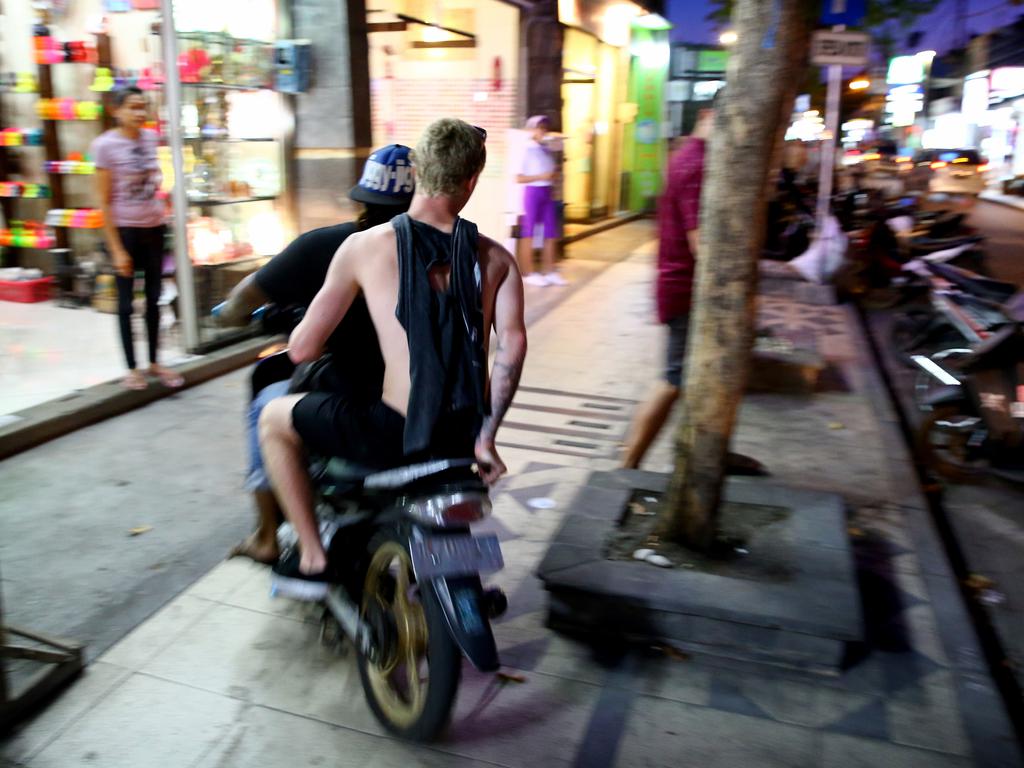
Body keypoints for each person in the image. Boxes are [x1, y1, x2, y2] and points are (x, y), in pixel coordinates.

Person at [260, 118, 527, 598]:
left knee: (273, 419)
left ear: (418, 172)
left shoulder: (363, 247)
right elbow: (511, 347)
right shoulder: (497, 259)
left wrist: (299, 327)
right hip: (461, 437)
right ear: (472, 180)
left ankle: (314, 556)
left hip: (394, 432)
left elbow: (302, 350)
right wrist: (486, 437)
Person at [215, 144, 415, 564]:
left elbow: (299, 343)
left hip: (372, 413)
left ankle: (282, 541)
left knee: (270, 410)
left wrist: (233, 315)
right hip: (446, 410)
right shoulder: (454, 248)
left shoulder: (333, 246)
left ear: (360, 199)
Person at [620, 100, 714, 469]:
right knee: (673, 380)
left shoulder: (686, 155)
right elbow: (700, 241)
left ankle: (701, 455)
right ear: (708, 116)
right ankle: (628, 465)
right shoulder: (698, 163)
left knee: (686, 380)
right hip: (685, 288)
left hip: (678, 283)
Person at [92, 86, 183, 391]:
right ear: (115, 110)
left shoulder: (148, 138)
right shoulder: (104, 146)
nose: (140, 113)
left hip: (154, 229)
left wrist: (165, 210)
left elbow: (157, 179)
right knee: (126, 304)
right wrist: (117, 249)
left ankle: (155, 362)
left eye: (143, 107)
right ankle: (132, 368)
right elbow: (103, 202)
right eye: (132, 107)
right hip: (125, 231)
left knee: (155, 299)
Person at [516, 115, 567, 287]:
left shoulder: (545, 149)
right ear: (531, 129)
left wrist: (554, 174)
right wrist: (540, 176)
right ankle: (528, 272)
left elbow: (551, 170)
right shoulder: (524, 148)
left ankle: (550, 271)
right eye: (539, 127)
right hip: (532, 192)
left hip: (547, 192)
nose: (543, 131)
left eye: (545, 128)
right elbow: (518, 178)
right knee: (528, 232)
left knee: (551, 232)